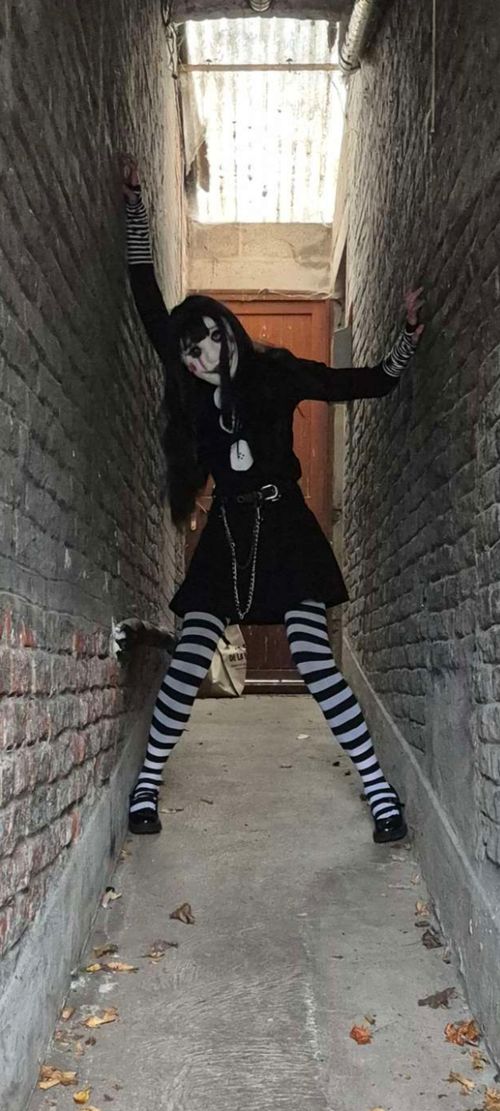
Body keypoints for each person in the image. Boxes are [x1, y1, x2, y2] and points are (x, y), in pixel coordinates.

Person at [121, 157, 424, 843]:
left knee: (314, 658)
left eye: (213, 335)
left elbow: (363, 383)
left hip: (285, 527)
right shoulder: (190, 390)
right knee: (189, 654)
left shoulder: (276, 373)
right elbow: (145, 297)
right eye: (193, 350)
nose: (207, 352)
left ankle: (380, 795)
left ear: (228, 327)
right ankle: (145, 789)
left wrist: (407, 341)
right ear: (185, 359)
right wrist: (136, 210)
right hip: (228, 533)